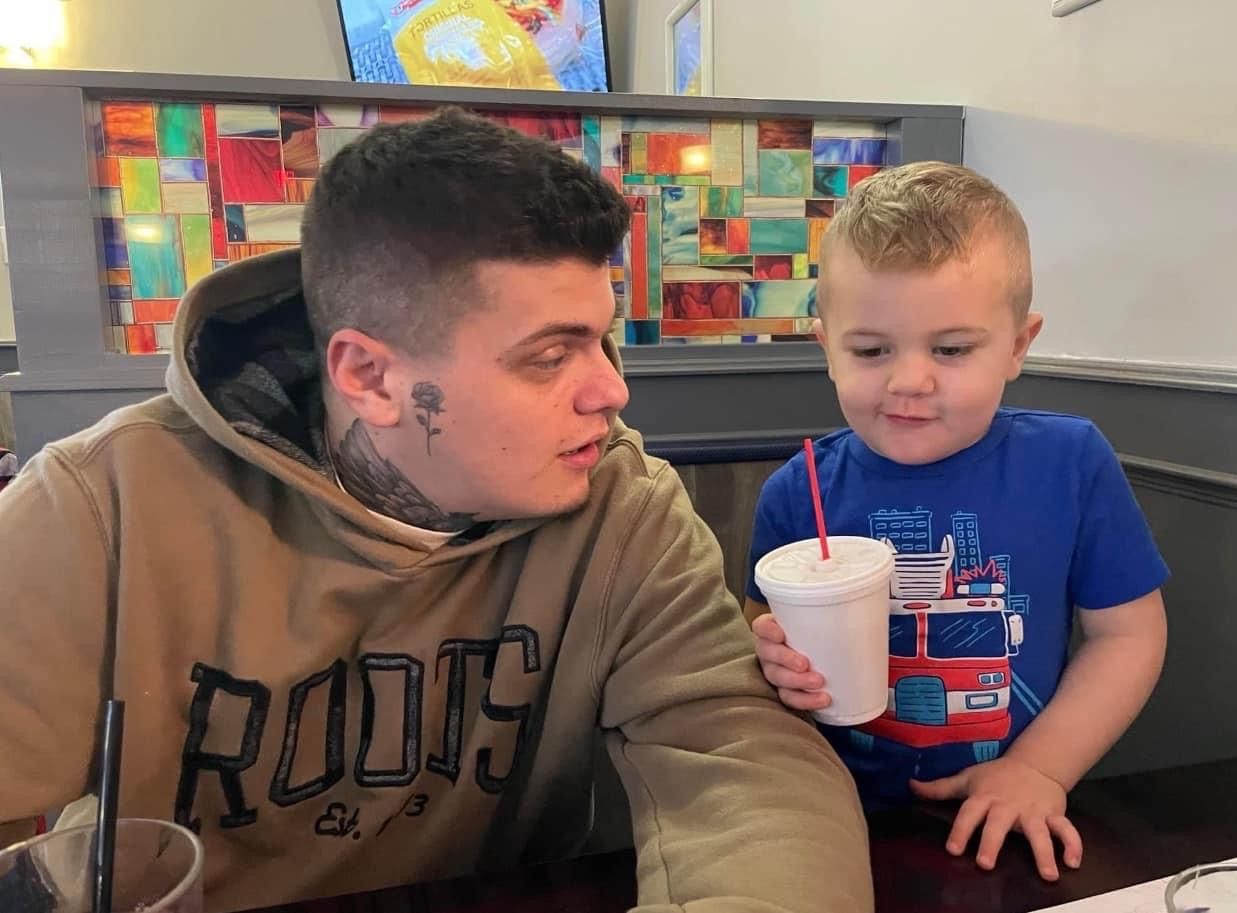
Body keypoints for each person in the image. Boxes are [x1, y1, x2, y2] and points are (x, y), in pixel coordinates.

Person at [0, 109, 873, 913]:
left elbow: (740, 763)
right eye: (549, 356)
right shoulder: (104, 506)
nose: (612, 389)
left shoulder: (619, 505)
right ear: (370, 377)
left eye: (601, 338)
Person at [746, 161, 1168, 883]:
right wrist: (767, 656)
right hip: (825, 827)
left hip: (1013, 816)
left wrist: (1039, 768)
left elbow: (1127, 635)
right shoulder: (796, 492)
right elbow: (758, 647)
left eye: (951, 348)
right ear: (826, 348)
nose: (910, 379)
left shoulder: (1071, 463)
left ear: (1017, 345)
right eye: (871, 350)